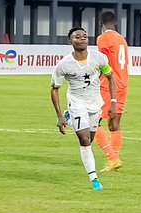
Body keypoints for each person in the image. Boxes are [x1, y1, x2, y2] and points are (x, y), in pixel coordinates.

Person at [50, 26, 116, 191]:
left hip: (95, 105)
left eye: (84, 36)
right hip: (77, 103)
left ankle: (71, 119)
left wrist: (113, 102)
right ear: (70, 41)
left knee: (91, 138)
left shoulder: (100, 58)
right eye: (77, 37)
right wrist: (59, 116)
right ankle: (94, 179)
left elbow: (110, 76)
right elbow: (54, 89)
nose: (82, 39)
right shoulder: (63, 65)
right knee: (85, 140)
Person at [93, 10, 130, 172]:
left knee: (92, 121)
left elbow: (102, 63)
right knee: (114, 123)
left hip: (109, 85)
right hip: (123, 83)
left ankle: (112, 158)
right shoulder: (122, 40)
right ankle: (115, 162)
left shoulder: (103, 38)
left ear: (101, 24)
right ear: (115, 23)